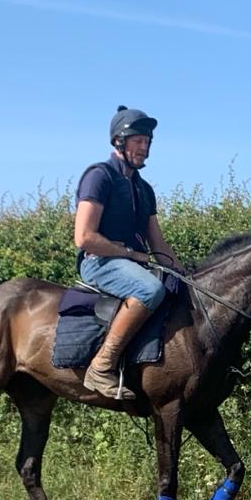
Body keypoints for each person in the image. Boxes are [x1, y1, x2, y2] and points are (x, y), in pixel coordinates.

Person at [74, 105, 182, 399]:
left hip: (130, 264)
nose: (144, 148)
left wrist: (184, 274)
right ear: (119, 141)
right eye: (138, 140)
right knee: (149, 289)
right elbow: (84, 238)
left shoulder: (144, 190)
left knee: (179, 289)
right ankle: (101, 367)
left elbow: (158, 245)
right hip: (99, 263)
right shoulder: (99, 176)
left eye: (147, 142)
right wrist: (129, 254)